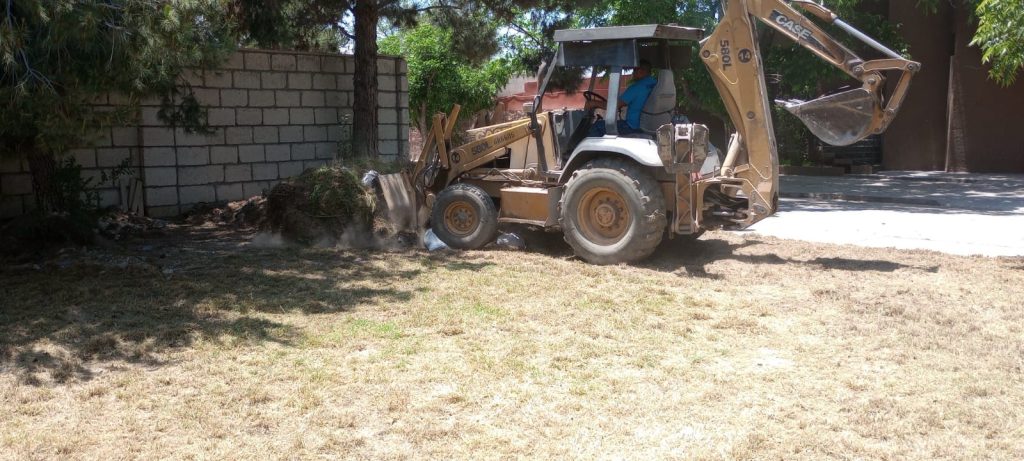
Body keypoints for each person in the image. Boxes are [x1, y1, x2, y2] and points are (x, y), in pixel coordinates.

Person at [588, 59, 658, 137]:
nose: (633, 73)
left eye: (634, 70)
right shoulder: (656, 84)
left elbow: (614, 106)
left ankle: (590, 145)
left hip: (633, 127)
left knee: (597, 126)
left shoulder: (637, 87)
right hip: (649, 125)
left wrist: (593, 103)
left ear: (640, 71)